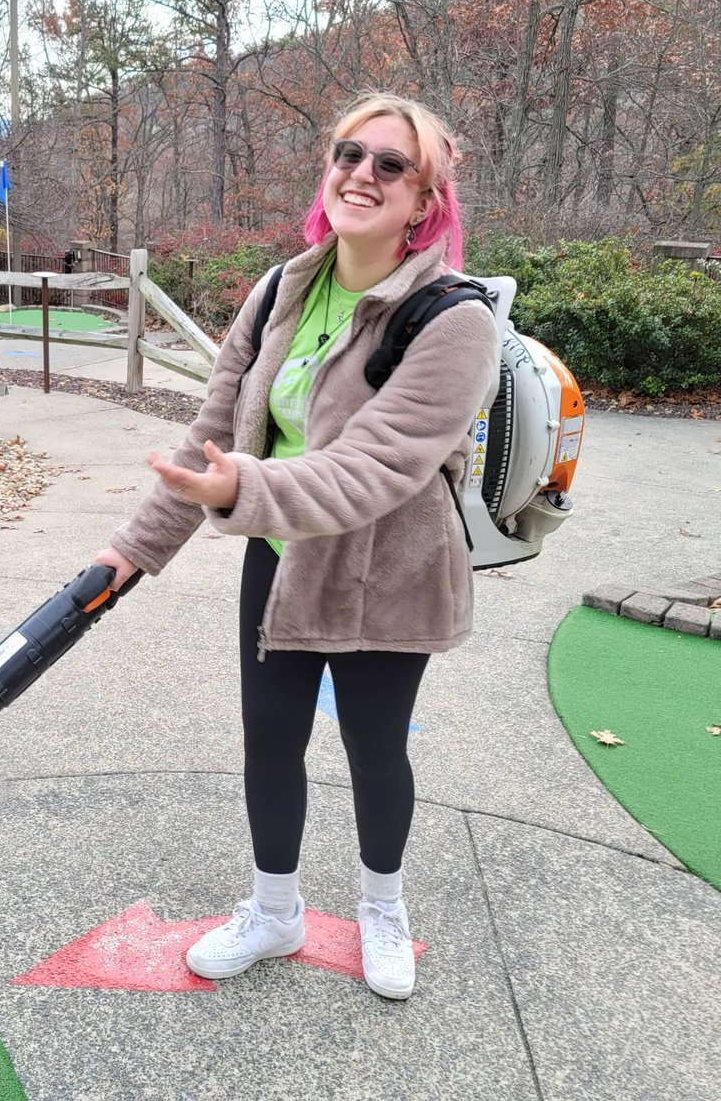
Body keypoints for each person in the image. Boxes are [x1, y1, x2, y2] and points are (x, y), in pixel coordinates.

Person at [93, 93, 498, 1000]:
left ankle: (381, 914)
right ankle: (274, 914)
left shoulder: (452, 321)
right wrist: (130, 553)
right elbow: (210, 434)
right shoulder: (282, 290)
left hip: (387, 576)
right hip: (279, 562)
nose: (362, 174)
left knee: (374, 748)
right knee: (268, 742)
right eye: (349, 155)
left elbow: (372, 470)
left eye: (390, 164)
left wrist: (240, 488)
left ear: (426, 199)